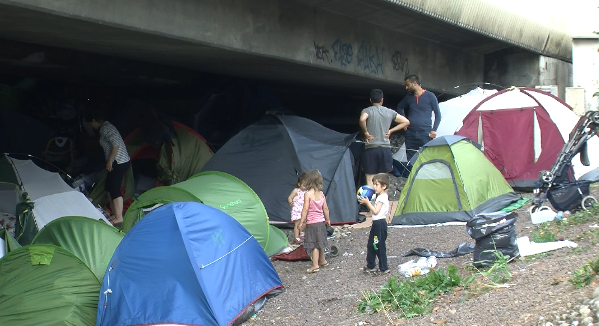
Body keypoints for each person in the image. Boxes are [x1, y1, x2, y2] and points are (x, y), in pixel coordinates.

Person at [85, 110, 130, 227]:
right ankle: (115, 215)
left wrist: (110, 161)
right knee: (109, 187)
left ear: (94, 120)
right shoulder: (106, 127)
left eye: (90, 123)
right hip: (119, 161)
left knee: (114, 188)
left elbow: (116, 144)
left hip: (119, 162)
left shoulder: (106, 128)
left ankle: (119, 217)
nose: (91, 126)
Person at [359, 89, 410, 188]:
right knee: (383, 180)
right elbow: (406, 121)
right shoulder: (389, 112)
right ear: (382, 100)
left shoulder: (367, 110)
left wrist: (365, 132)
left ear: (370, 100)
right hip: (385, 149)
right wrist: (391, 131)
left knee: (370, 178)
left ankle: (370, 202)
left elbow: (362, 119)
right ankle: (382, 202)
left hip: (371, 149)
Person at [396, 74, 441, 163]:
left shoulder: (430, 96)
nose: (406, 87)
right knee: (411, 160)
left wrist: (434, 130)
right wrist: (404, 121)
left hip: (425, 133)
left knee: (426, 159)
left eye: (408, 85)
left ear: (415, 83)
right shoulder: (409, 97)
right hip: (410, 133)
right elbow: (399, 107)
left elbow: (438, 114)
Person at [299, 170, 331, 274]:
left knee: (313, 245)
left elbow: (305, 209)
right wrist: (327, 219)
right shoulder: (321, 194)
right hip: (321, 222)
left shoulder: (308, 194)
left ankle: (315, 265)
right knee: (320, 243)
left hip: (312, 223)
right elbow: (325, 208)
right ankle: (323, 261)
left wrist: (301, 222)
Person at [358, 173, 390, 274]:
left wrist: (368, 203)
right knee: (371, 244)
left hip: (379, 224)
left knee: (378, 245)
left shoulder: (382, 198)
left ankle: (384, 267)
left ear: (384, 186)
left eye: (376, 184)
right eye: (374, 184)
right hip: (376, 224)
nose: (374, 187)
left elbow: (375, 211)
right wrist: (368, 202)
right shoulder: (380, 196)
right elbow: (374, 210)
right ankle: (370, 265)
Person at [288, 172, 308, 244]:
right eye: (304, 185)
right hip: (297, 210)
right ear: (299, 184)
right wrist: (290, 202)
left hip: (304, 210)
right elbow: (290, 197)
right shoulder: (296, 191)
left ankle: (302, 233)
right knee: (297, 224)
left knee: (305, 222)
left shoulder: (307, 192)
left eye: (307, 185)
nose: (305, 187)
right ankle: (296, 237)